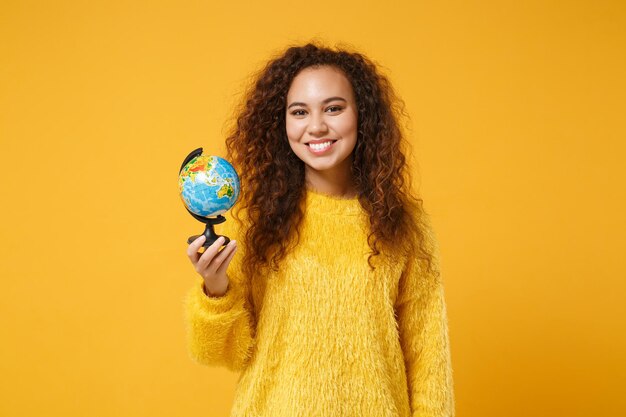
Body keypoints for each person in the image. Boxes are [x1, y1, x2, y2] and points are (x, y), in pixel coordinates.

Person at [182, 42, 455, 417]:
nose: (316, 126)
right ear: (282, 123)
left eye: (333, 108)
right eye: (299, 111)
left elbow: (429, 361)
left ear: (362, 115)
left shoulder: (403, 224)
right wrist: (216, 290)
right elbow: (221, 353)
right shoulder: (257, 220)